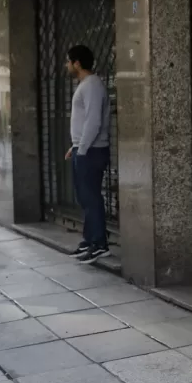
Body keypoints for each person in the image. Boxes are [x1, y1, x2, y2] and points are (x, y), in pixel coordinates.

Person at [65, 44, 111, 263]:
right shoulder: (86, 85)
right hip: (84, 148)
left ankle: (100, 244)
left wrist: (81, 149)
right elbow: (84, 123)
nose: (66, 66)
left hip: (91, 151)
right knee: (85, 198)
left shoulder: (92, 85)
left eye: (68, 61)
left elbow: (93, 121)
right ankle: (90, 240)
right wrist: (74, 146)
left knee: (91, 198)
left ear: (77, 63)